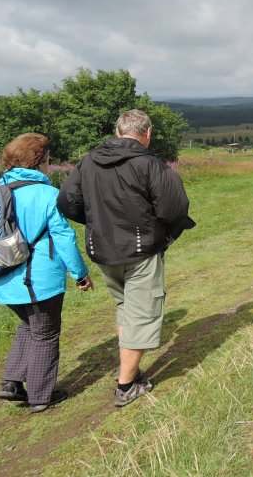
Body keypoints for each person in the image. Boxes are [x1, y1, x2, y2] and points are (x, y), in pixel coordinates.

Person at [57, 109, 194, 407]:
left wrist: (97, 223)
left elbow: (67, 202)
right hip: (140, 251)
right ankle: (126, 385)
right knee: (142, 314)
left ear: (118, 132)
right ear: (147, 134)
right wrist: (159, 234)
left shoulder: (88, 163)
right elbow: (173, 209)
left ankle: (130, 369)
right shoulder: (151, 166)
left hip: (104, 250)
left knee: (126, 308)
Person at [0, 133, 93, 413]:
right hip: (38, 281)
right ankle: (41, 397)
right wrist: (80, 273)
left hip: (4, 278)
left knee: (29, 326)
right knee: (46, 333)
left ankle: (11, 382)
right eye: (48, 160)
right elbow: (64, 238)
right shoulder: (48, 195)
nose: (50, 166)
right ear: (38, 161)